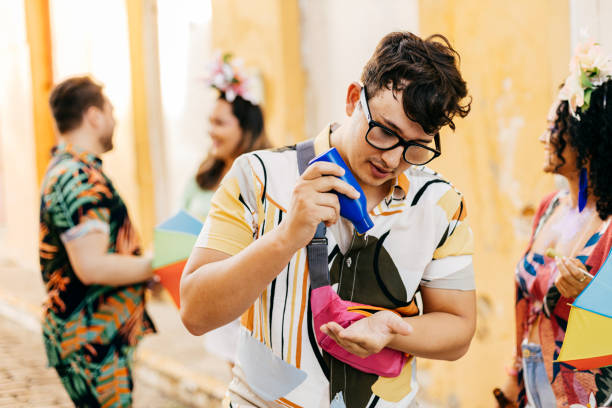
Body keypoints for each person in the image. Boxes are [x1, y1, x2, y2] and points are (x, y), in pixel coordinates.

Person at [181, 32, 476, 407]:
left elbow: (459, 329)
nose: (391, 159)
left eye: (415, 148)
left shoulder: (441, 202)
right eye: (385, 132)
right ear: (354, 98)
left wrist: (392, 331)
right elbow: (195, 313)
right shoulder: (258, 175)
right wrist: (287, 236)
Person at [499, 40, 612, 407]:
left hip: (580, 392)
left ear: (585, 137)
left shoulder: (608, 228)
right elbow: (527, 302)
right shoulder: (550, 207)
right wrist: (512, 382)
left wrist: (591, 295)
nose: (542, 138)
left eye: (552, 128)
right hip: (532, 375)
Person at [40, 76, 155, 407]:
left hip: (96, 335)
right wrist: (158, 262)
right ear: (93, 116)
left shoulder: (70, 171)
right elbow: (91, 266)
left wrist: (144, 271)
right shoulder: (77, 177)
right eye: (111, 110)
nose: (115, 119)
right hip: (93, 339)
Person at [182, 53, 269, 363]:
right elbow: (181, 227)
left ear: (245, 128)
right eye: (210, 121)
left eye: (220, 122)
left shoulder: (266, 179)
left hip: (253, 302)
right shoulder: (203, 176)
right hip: (214, 297)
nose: (211, 131)